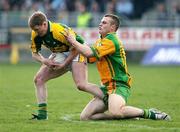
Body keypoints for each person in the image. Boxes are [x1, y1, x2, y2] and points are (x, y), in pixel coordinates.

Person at [64, 14, 171, 121]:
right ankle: (129, 115)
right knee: (85, 117)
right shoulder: (100, 42)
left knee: (116, 111)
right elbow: (88, 58)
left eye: (104, 22)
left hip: (118, 85)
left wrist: (74, 41)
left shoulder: (111, 40)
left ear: (112, 28)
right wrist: (68, 55)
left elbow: (88, 53)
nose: (100, 24)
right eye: (101, 22)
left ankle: (150, 113)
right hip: (106, 88)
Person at [28, 11, 105, 120]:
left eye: (37, 29)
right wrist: (45, 61)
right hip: (60, 53)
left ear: (44, 24)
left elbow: (76, 47)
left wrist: (64, 64)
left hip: (77, 50)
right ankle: (42, 114)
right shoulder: (35, 33)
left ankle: (109, 98)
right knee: (38, 79)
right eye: (34, 30)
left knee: (81, 85)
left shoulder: (59, 31)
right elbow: (34, 53)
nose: (36, 32)